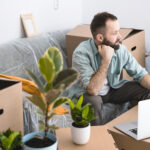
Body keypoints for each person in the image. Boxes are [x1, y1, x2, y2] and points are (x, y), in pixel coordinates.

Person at [70, 12, 150, 125]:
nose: (120, 37)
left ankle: (140, 128)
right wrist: (105, 60)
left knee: (145, 90)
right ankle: (97, 138)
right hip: (88, 93)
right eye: (115, 33)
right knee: (93, 101)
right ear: (100, 37)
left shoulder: (120, 50)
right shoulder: (81, 53)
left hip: (113, 89)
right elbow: (93, 90)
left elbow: (141, 75)